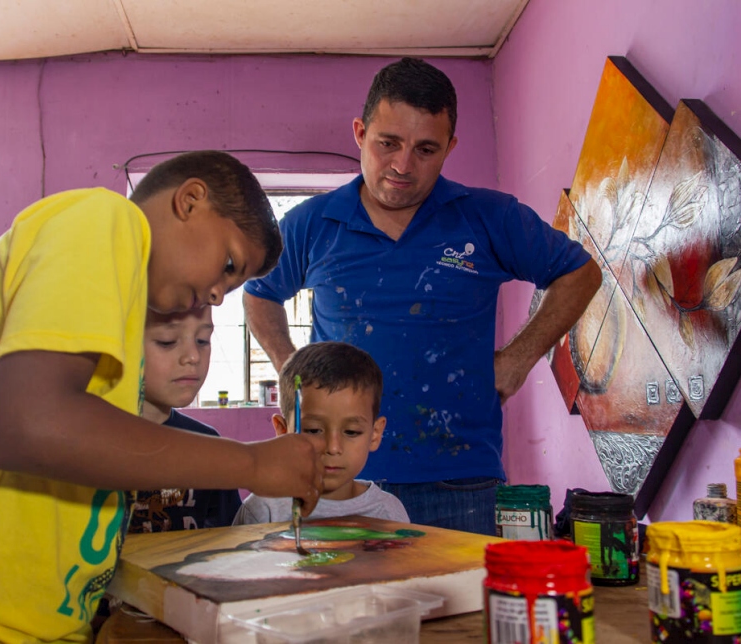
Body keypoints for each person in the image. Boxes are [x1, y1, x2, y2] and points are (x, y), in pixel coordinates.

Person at [0, 151, 323, 644]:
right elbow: (30, 424)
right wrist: (253, 465)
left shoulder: (117, 328)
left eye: (233, 286)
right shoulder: (103, 220)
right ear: (190, 201)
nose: (218, 295)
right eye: (228, 264)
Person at [243, 58, 601, 535]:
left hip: (461, 483)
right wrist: (294, 374)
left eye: (425, 149)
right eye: (387, 143)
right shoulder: (313, 222)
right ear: (359, 132)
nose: (402, 165)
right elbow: (259, 292)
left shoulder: (489, 218)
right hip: (337, 483)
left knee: (465, 612)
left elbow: (580, 272)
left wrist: (518, 360)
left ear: (450, 147)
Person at [234, 341, 409, 525]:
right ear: (283, 431)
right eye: (314, 430)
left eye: (351, 432)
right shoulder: (263, 511)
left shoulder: (389, 512)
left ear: (375, 434)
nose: (333, 448)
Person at [127, 305, 241, 533]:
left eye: (202, 340)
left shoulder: (209, 446)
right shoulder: (85, 442)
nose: (193, 356)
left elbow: (225, 543)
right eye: (167, 341)